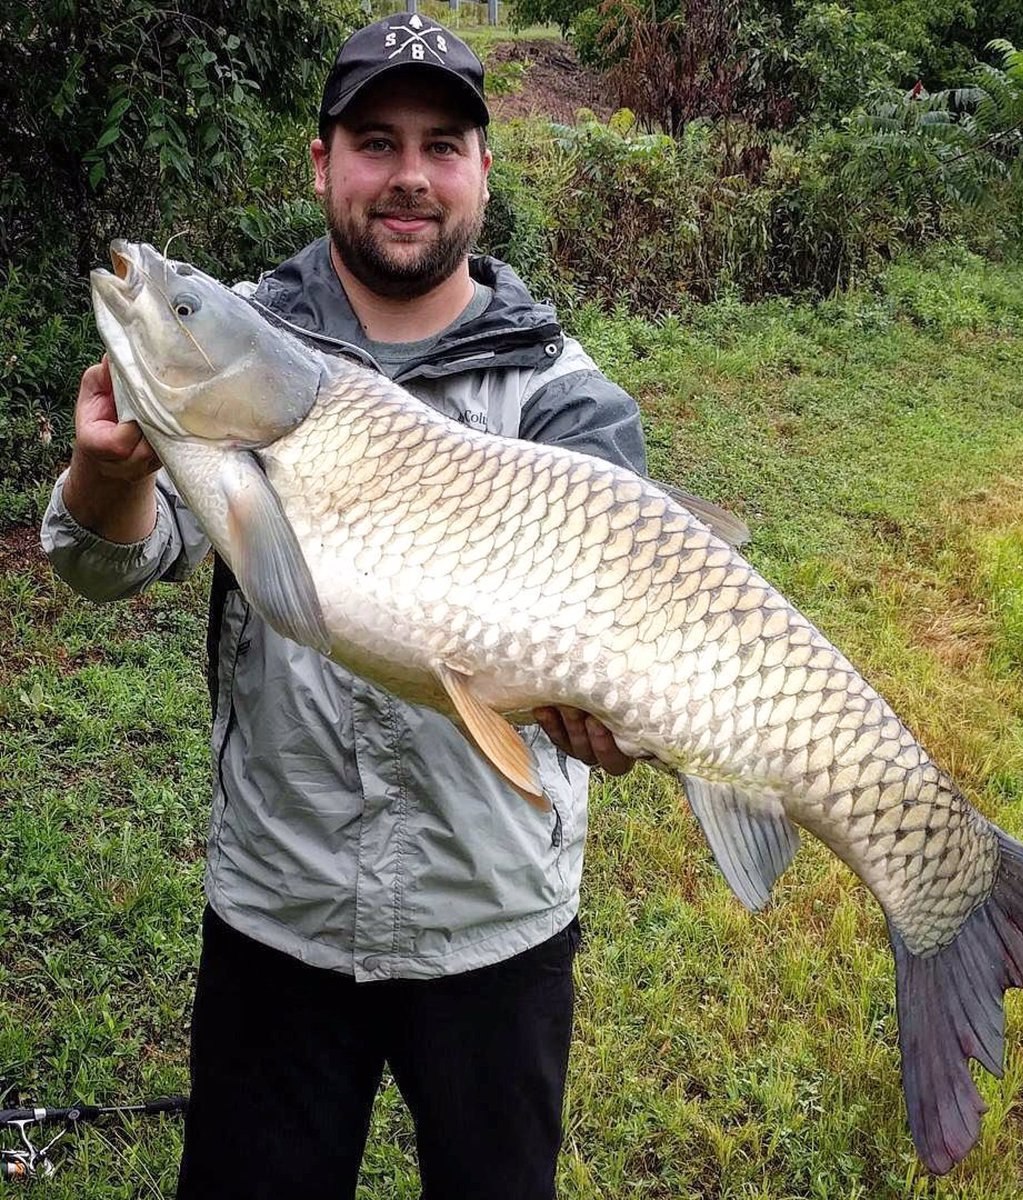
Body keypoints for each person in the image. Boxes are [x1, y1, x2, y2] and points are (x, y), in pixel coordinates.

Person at [41, 12, 647, 1199]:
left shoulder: (562, 392)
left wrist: (610, 711)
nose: (409, 175)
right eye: (375, 140)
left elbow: (622, 636)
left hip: (495, 920)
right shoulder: (238, 343)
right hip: (281, 905)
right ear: (322, 162)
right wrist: (109, 472)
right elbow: (107, 563)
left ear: (483, 167)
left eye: (441, 143)